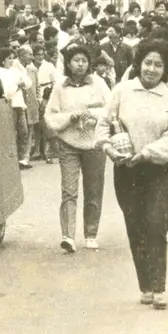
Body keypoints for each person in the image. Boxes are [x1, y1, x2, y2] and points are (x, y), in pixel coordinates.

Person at [95, 39, 168, 310]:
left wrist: (146, 153)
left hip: (158, 167)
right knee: (135, 226)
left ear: (166, 69)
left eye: (159, 65)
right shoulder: (122, 90)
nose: (152, 69)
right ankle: (145, 285)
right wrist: (109, 148)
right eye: (148, 63)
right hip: (126, 169)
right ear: (139, 64)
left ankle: (159, 288)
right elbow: (103, 124)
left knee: (156, 223)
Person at [44, 45, 111, 253]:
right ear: (69, 63)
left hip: (94, 143)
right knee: (69, 189)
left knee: (93, 188)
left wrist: (92, 114)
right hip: (68, 143)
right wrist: (69, 118)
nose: (80, 64)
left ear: (89, 63)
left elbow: (111, 109)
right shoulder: (60, 87)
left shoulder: (99, 84)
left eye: (84, 60)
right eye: (76, 60)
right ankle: (68, 235)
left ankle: (91, 233)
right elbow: (50, 114)